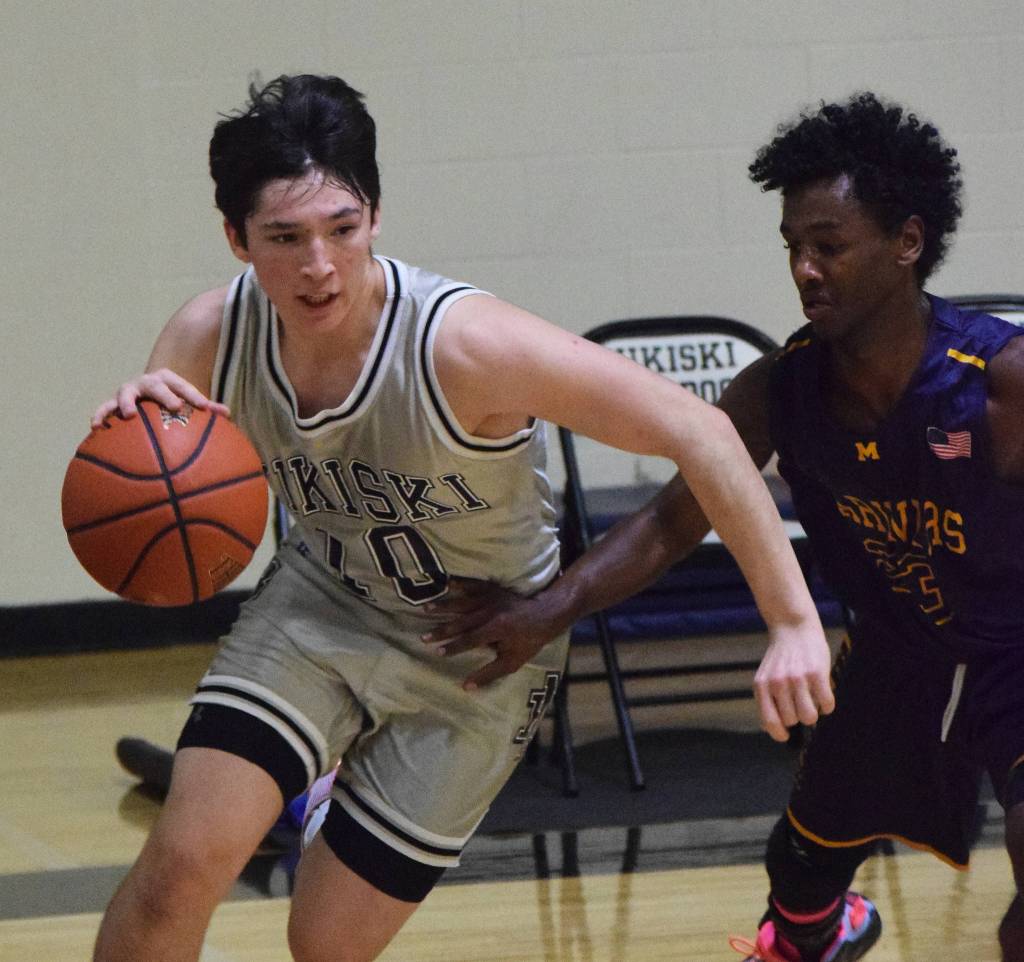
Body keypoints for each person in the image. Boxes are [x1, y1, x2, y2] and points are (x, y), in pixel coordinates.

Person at [89, 74, 833, 962]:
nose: (319, 265)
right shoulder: (208, 334)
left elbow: (702, 430)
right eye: (285, 237)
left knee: (324, 943)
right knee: (177, 872)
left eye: (342, 229)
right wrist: (135, 440)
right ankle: (314, 774)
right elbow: (155, 491)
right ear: (236, 238)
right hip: (320, 608)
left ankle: (328, 798)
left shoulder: (464, 344)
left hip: (480, 651)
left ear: (376, 216)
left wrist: (793, 621)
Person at [428, 91, 1024, 962]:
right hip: (896, 655)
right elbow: (670, 522)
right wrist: (546, 610)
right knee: (800, 878)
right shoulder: (781, 389)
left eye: (829, 247)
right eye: (793, 248)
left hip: (1018, 654)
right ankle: (819, 933)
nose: (805, 270)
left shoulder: (998, 382)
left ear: (907, 242)